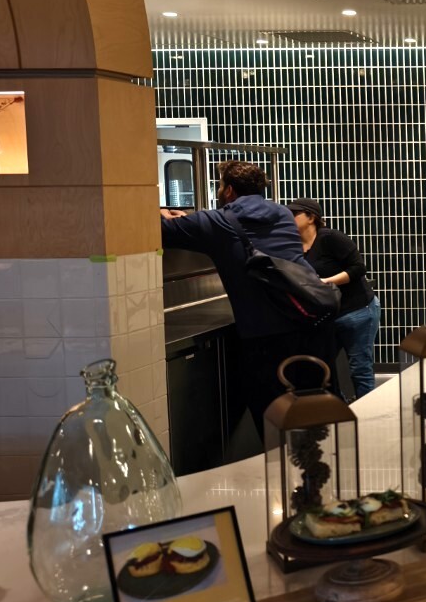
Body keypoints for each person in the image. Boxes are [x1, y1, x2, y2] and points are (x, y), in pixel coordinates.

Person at [161, 161, 331, 440]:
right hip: (306, 322)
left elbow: (161, 232)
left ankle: (284, 466)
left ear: (229, 190)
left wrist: (171, 217)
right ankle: (313, 462)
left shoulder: (217, 222)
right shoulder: (282, 213)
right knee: (309, 410)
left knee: (272, 417)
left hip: (263, 336)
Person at [289, 197, 380, 397]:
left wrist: (326, 282)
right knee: (324, 367)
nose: (290, 217)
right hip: (329, 316)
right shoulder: (293, 245)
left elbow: (358, 268)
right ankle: (340, 409)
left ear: (311, 217)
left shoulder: (330, 238)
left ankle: (366, 412)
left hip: (357, 311)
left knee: (360, 369)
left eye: (295, 213)